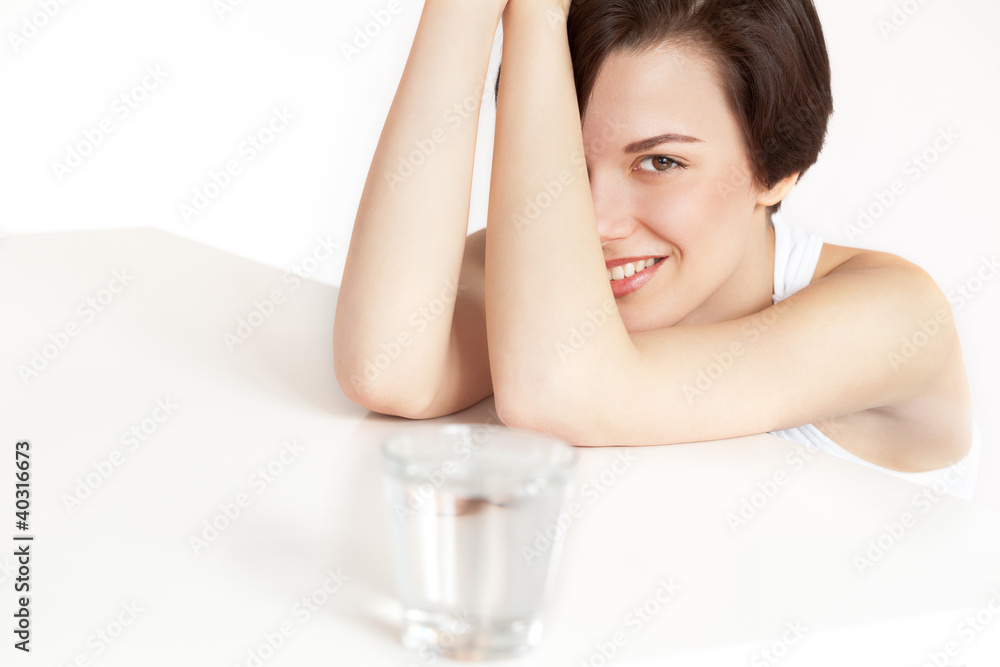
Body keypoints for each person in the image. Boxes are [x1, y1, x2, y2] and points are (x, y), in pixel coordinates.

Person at [333, 0, 979, 499]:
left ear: (777, 166)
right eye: (565, 167)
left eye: (660, 161)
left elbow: (558, 390)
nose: (599, 223)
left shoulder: (896, 315)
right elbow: (389, 366)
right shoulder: (550, 272)